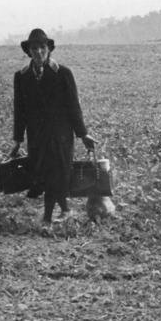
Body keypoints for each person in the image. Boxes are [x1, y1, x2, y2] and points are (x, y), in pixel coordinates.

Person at [10, 28, 96, 232]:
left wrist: (82, 134)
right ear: (28, 51)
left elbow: (74, 106)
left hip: (61, 135)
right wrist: (17, 140)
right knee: (45, 173)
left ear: (49, 49)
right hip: (37, 135)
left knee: (56, 173)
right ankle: (66, 210)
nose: (38, 52)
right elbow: (19, 110)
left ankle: (47, 218)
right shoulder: (21, 77)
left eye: (42, 47)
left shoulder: (63, 73)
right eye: (34, 48)